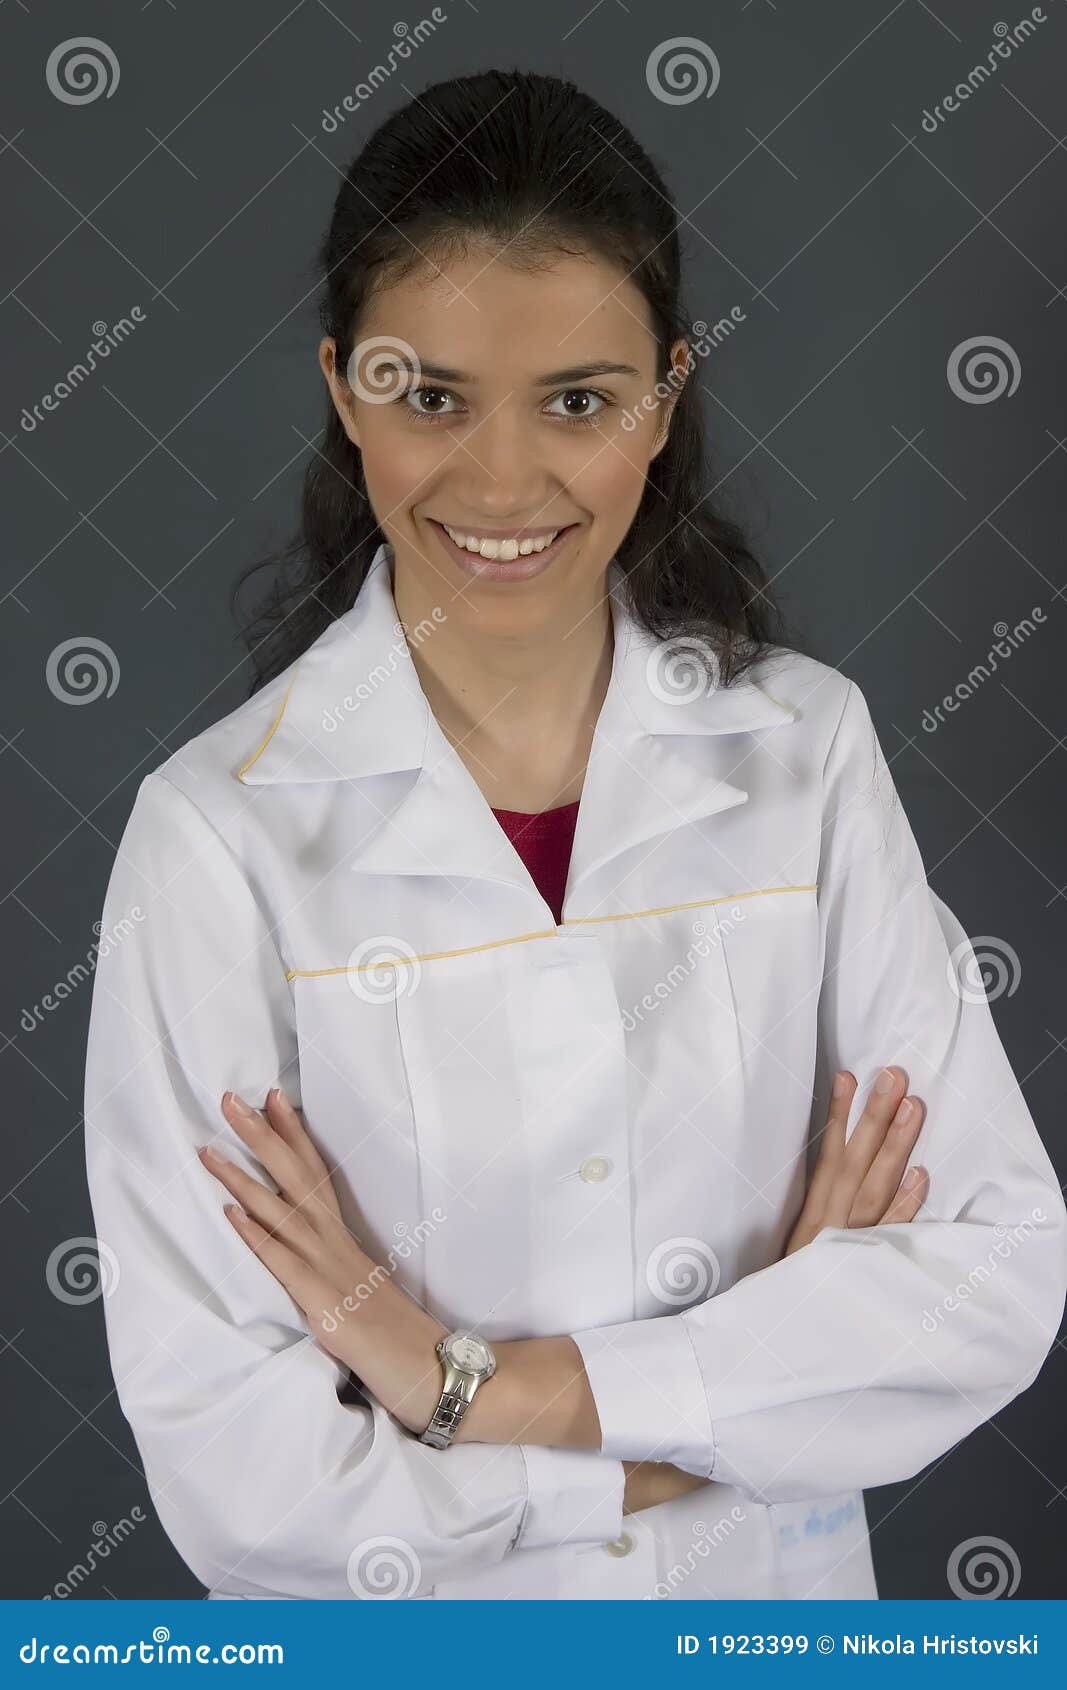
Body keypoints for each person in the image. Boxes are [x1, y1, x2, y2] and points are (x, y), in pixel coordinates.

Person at [83, 69, 1066, 1602]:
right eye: (430, 397)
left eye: (580, 401)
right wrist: (738, 1400)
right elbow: (245, 1482)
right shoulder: (215, 843)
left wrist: (462, 1385)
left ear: (666, 398)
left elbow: (992, 1280)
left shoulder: (806, 757)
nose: (500, 481)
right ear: (344, 389)